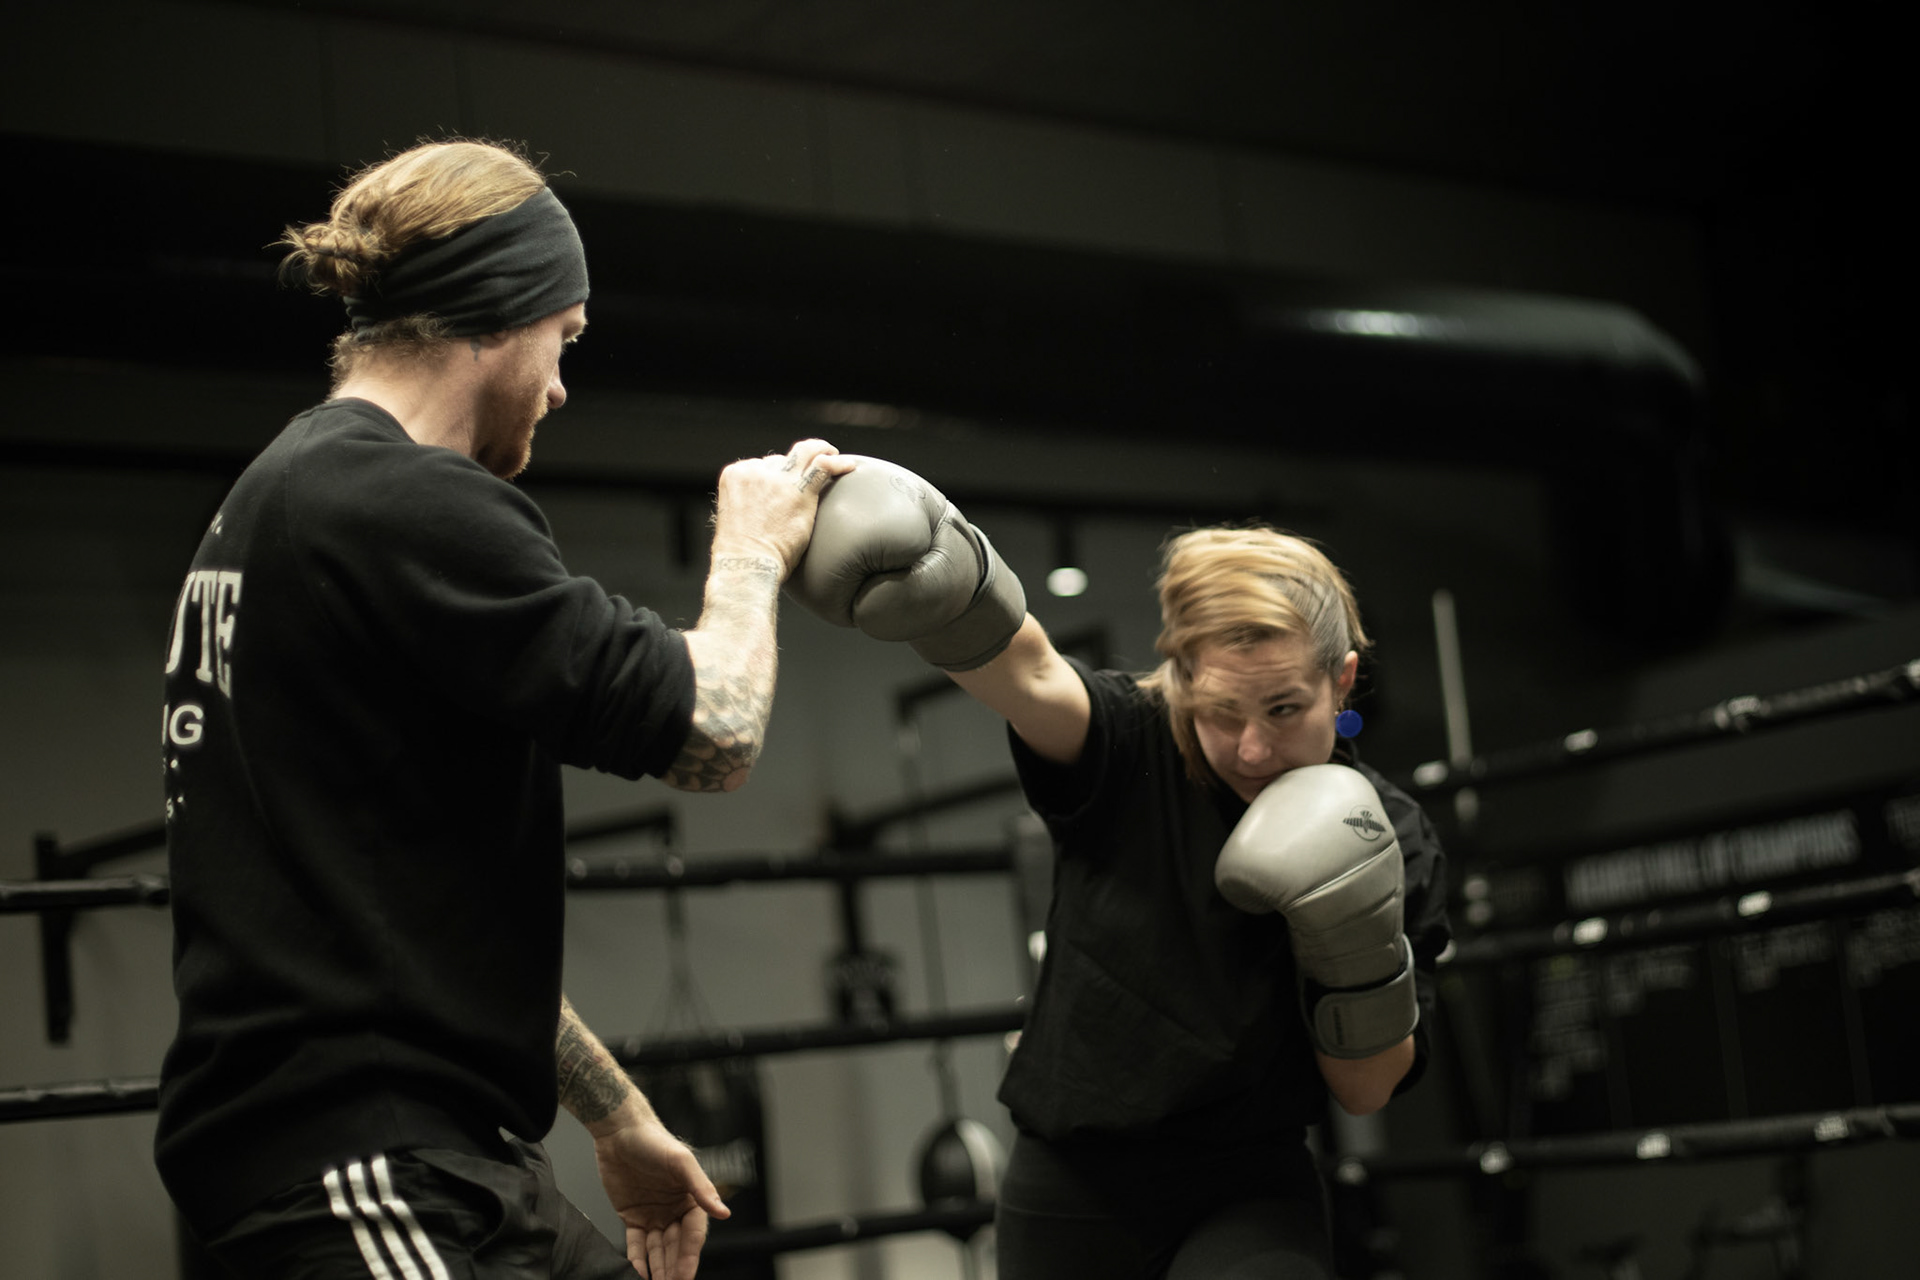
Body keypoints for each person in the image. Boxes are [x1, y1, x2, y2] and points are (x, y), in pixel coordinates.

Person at [155, 138, 853, 1280]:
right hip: (361, 1163)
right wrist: (751, 545)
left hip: (451, 1158)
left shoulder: (287, 495)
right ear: (499, 314)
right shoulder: (400, 498)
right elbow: (714, 733)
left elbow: (399, 909)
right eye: (563, 339)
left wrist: (616, 1112)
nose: (562, 384)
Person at [788, 458, 1450, 1278]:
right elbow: (1030, 669)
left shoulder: (1388, 833)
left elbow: (1366, 1091)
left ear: (1340, 678)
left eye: (1284, 709)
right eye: (1221, 712)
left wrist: (1351, 947)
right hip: (1072, 1181)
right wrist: (935, 575)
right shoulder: (1130, 741)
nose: (1253, 749)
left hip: (1248, 1186)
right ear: (1183, 680)